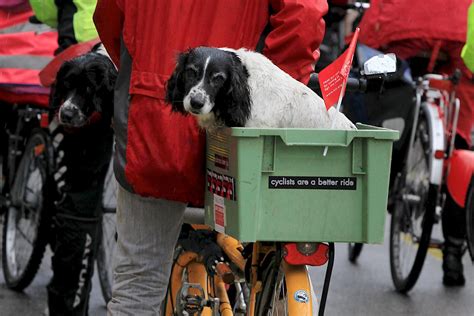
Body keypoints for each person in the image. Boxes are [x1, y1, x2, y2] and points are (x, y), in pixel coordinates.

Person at [93, 0, 328, 313]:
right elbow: (303, 15)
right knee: (254, 255)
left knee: (139, 282)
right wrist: (266, 92)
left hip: (153, 120)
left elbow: (109, 17)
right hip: (240, 129)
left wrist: (145, 74)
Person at [358, 0, 474, 286]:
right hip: (458, 39)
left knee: (386, 83)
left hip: (403, 30)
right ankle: (453, 255)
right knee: (458, 142)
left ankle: (385, 173)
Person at [26, 1, 113, 315]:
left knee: (77, 205)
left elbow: (45, 7)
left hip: (80, 48)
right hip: (136, 57)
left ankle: (67, 308)